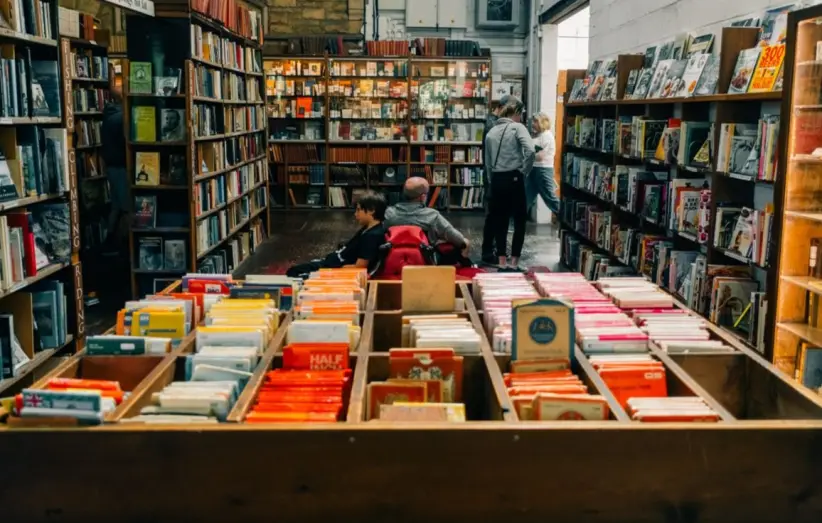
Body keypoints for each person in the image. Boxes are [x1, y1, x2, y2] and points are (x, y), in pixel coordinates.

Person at [484, 95, 535, 271]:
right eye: (521, 115)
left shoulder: (491, 131)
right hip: (514, 178)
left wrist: (493, 180)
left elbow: (488, 163)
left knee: (500, 221)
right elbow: (530, 151)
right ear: (516, 113)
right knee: (520, 220)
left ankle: (501, 263)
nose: (521, 118)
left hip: (497, 180)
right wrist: (524, 171)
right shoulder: (517, 128)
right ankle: (514, 263)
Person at [286, 191, 387, 278]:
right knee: (296, 269)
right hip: (331, 262)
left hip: (334, 269)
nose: (355, 214)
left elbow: (360, 267)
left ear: (371, 210)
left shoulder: (372, 236)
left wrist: (337, 270)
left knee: (293, 272)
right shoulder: (368, 228)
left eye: (359, 210)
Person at [384, 177, 469, 255]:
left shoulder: (387, 213)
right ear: (422, 197)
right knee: (466, 242)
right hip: (424, 262)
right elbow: (459, 240)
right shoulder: (432, 216)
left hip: (393, 261)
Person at [480, 95, 510, 264]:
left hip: (494, 173)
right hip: (494, 175)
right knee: (494, 214)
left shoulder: (493, 122)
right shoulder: (493, 124)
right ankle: (489, 252)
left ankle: (492, 250)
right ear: (503, 107)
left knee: (494, 214)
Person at [101, 84, 127, 248]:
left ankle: (110, 239)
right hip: (121, 167)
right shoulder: (121, 118)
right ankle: (125, 244)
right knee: (127, 208)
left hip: (111, 166)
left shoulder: (108, 117)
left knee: (116, 206)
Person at [527, 112, 560, 216]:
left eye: (536, 121)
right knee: (525, 198)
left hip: (543, 170)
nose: (533, 124)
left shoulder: (546, 136)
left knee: (550, 198)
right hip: (534, 169)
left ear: (542, 122)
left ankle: (565, 217)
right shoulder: (539, 135)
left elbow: (540, 157)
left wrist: (527, 156)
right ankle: (516, 223)